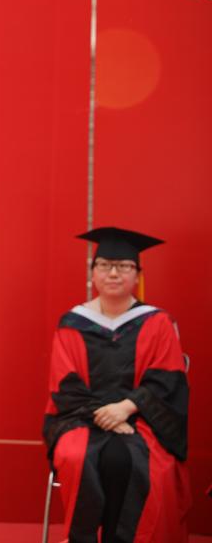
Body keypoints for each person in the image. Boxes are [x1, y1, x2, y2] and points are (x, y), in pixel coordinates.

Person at [44, 227, 190, 543]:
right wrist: (105, 416)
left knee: (145, 464)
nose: (113, 273)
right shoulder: (71, 324)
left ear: (137, 274)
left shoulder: (158, 322)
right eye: (105, 265)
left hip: (144, 417)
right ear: (93, 273)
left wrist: (126, 408)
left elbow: (168, 379)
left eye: (123, 266)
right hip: (82, 418)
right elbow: (65, 385)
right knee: (77, 456)